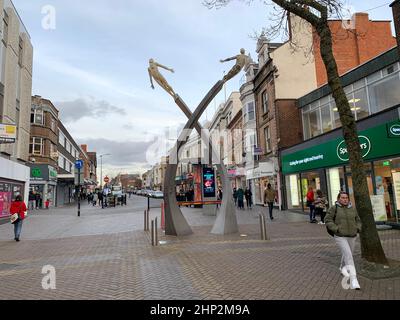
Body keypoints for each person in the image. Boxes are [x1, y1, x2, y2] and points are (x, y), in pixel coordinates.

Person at [325, 191, 362, 290]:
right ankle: (354, 280)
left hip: (352, 235)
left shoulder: (353, 209)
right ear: (338, 199)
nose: (345, 199)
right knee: (349, 256)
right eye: (342, 198)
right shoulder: (334, 208)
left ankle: (342, 267)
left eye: (346, 198)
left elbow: (358, 220)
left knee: (348, 253)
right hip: (340, 236)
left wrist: (358, 228)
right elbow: (328, 220)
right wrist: (336, 229)